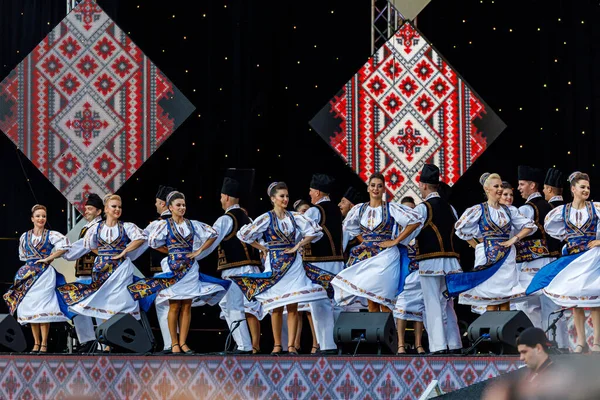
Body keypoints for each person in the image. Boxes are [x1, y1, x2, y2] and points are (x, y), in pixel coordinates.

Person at [230, 182, 329, 355]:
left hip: (293, 264)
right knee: (276, 305)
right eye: (281, 196)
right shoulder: (267, 218)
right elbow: (244, 235)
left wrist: (298, 244)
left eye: (287, 196)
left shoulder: (294, 217)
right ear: (273, 198)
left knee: (293, 304)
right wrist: (263, 248)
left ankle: (291, 346)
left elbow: (314, 231)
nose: (285, 199)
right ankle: (277, 345)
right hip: (275, 264)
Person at [128, 191, 230, 354]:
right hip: (173, 269)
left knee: (187, 306)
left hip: (190, 269)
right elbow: (152, 242)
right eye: (178, 205)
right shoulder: (164, 225)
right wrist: (170, 251)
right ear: (170, 207)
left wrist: (198, 251)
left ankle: (183, 343)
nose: (182, 208)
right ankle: (174, 343)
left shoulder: (192, 224)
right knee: (174, 305)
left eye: (183, 205)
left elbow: (213, 234)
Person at [58, 195, 147, 352]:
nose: (117, 209)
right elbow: (88, 244)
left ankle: (119, 340)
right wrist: (103, 254)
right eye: (114, 206)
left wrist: (124, 251)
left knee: (121, 301)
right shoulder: (96, 228)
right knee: (102, 302)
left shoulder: (126, 226)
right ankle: (105, 342)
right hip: (101, 269)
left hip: (120, 270)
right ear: (106, 209)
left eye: (119, 207)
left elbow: (140, 238)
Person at [527, 172, 600, 353]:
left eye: (588, 187)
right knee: (575, 299)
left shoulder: (595, 208)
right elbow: (553, 229)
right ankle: (581, 342)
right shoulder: (562, 211)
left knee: (594, 300)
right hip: (573, 258)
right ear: (573, 189)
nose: (586, 190)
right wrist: (568, 239)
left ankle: (597, 342)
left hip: (591, 257)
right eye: (582, 187)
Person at [332, 173, 424, 313]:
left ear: (384, 189)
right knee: (371, 301)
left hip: (386, 258)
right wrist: (366, 242)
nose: (376, 189)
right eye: (373, 185)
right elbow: (351, 227)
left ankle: (388, 334)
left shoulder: (391, 208)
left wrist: (396, 241)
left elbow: (416, 221)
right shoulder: (360, 209)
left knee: (384, 301)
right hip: (368, 258)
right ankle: (375, 334)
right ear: (368, 188)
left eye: (379, 186)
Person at [447, 173, 536, 311]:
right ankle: (490, 331)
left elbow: (530, 226)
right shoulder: (479, 209)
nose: (500, 189)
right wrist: (478, 245)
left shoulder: (509, 211)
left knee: (506, 297)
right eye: (496, 186)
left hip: (507, 258)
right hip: (488, 256)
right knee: (491, 298)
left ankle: (505, 331)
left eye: (501, 185)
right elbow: (460, 229)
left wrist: (514, 238)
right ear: (487, 189)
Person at [198, 176, 264, 354]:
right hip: (253, 270)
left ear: (226, 197)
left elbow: (211, 241)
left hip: (236, 269)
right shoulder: (249, 219)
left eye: (221, 197)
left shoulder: (225, 219)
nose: (220, 200)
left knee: (233, 306)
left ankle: (245, 346)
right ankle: (244, 343)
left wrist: (194, 256)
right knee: (234, 306)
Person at [3, 204, 71, 353]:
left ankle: (44, 343)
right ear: (32, 218)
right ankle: (36, 343)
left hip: (45, 275)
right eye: (38, 216)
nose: (41, 219)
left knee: (43, 306)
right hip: (29, 275)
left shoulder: (50, 235)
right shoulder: (25, 236)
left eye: (44, 216)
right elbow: (23, 256)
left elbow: (65, 247)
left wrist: (49, 258)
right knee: (31, 307)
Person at [411, 164, 463, 355]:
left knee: (432, 302)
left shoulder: (422, 208)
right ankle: (454, 342)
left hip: (430, 261)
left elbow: (411, 233)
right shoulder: (450, 208)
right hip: (450, 262)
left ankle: (439, 345)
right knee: (447, 303)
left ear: (424, 185)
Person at [301, 173, 344, 355]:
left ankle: (327, 345)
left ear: (318, 191)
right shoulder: (335, 209)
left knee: (319, 304)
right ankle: (338, 342)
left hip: (319, 264)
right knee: (335, 302)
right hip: (337, 262)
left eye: (311, 191)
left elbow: (303, 230)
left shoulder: (314, 211)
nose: (310, 194)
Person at [515, 166, 560, 330]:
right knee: (551, 306)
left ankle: (536, 343)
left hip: (533, 264)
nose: (519, 188)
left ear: (532, 185)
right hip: (552, 262)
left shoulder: (526, 209)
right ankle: (558, 344)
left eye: (521, 184)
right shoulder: (550, 206)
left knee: (528, 306)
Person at [145, 185, 176, 353]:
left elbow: (142, 240)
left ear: (163, 204)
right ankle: (178, 343)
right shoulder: (181, 222)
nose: (156, 205)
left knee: (164, 306)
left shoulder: (158, 224)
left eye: (157, 202)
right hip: (181, 271)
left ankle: (170, 344)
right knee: (178, 306)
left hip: (162, 270)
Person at [393, 196, 426, 355]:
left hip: (418, 274)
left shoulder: (420, 231)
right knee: (401, 308)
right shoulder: (396, 231)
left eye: (411, 210)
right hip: (402, 274)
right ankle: (400, 344)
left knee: (419, 309)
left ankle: (418, 344)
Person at [72, 193, 103, 353]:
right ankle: (88, 340)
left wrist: (65, 252)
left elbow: (81, 247)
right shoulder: (87, 226)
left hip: (95, 273)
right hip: (84, 274)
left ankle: (103, 342)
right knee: (78, 307)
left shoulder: (99, 227)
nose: (87, 211)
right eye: (86, 208)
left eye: (90, 209)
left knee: (97, 306)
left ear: (99, 212)